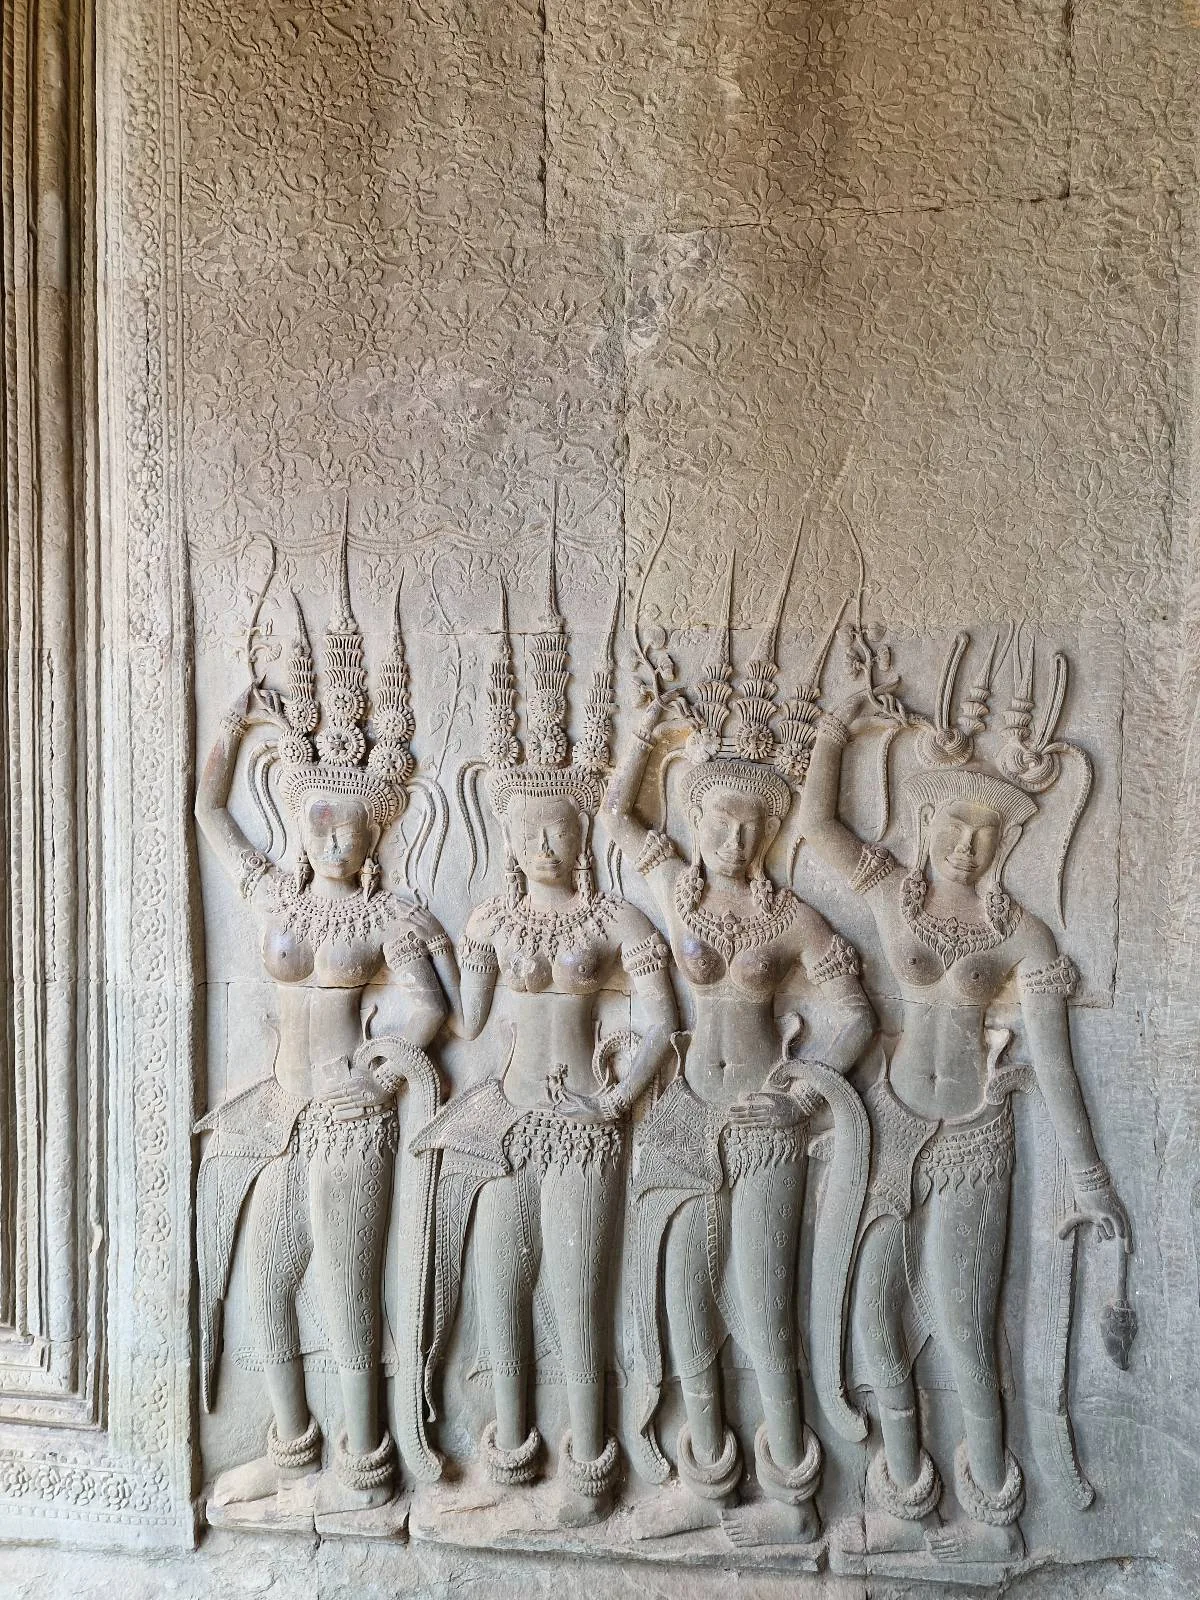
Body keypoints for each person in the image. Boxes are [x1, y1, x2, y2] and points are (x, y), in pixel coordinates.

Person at [798, 629, 1130, 1563]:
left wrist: (1090, 1178)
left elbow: (1057, 1068)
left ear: (1008, 841)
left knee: (959, 1322)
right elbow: (818, 832)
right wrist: (838, 729)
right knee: (871, 1319)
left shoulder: (1021, 934)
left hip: (975, 1130)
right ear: (926, 817)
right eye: (953, 825)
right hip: (891, 1122)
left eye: (989, 835)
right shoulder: (891, 893)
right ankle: (905, 1490)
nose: (968, 846)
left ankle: (990, 1510)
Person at [600, 554, 875, 1547]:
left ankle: (794, 1488)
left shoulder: (794, 918)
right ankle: (708, 1475)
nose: (734, 835)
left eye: (752, 822)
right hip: (680, 1113)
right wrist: (641, 739)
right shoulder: (674, 888)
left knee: (762, 1306)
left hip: (761, 1116)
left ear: (765, 831)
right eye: (720, 816)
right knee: (683, 1302)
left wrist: (805, 1094)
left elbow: (852, 1013)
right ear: (699, 814)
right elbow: (613, 818)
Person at [195, 540, 451, 1525]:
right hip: (280, 1106)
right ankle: (293, 1446)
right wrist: (238, 719)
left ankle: (365, 1465)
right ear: (301, 822)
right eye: (323, 824)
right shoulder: (274, 896)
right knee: (268, 1285)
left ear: (375, 833)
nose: (339, 839)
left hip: (350, 1112)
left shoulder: (383, 918)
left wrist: (393, 1055)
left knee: (349, 1298)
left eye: (355, 829)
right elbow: (210, 808)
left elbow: (427, 1001)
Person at [415, 566, 677, 1526]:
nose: (541, 844)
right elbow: (465, 1022)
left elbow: (658, 1017)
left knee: (576, 1298)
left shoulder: (614, 918)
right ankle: (511, 1455)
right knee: (499, 1290)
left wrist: (624, 1089)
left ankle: (591, 1466)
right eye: (526, 830)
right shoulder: (492, 918)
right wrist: (433, 952)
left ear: (579, 836)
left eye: (556, 829)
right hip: (505, 1117)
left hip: (584, 1121)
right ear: (509, 834)